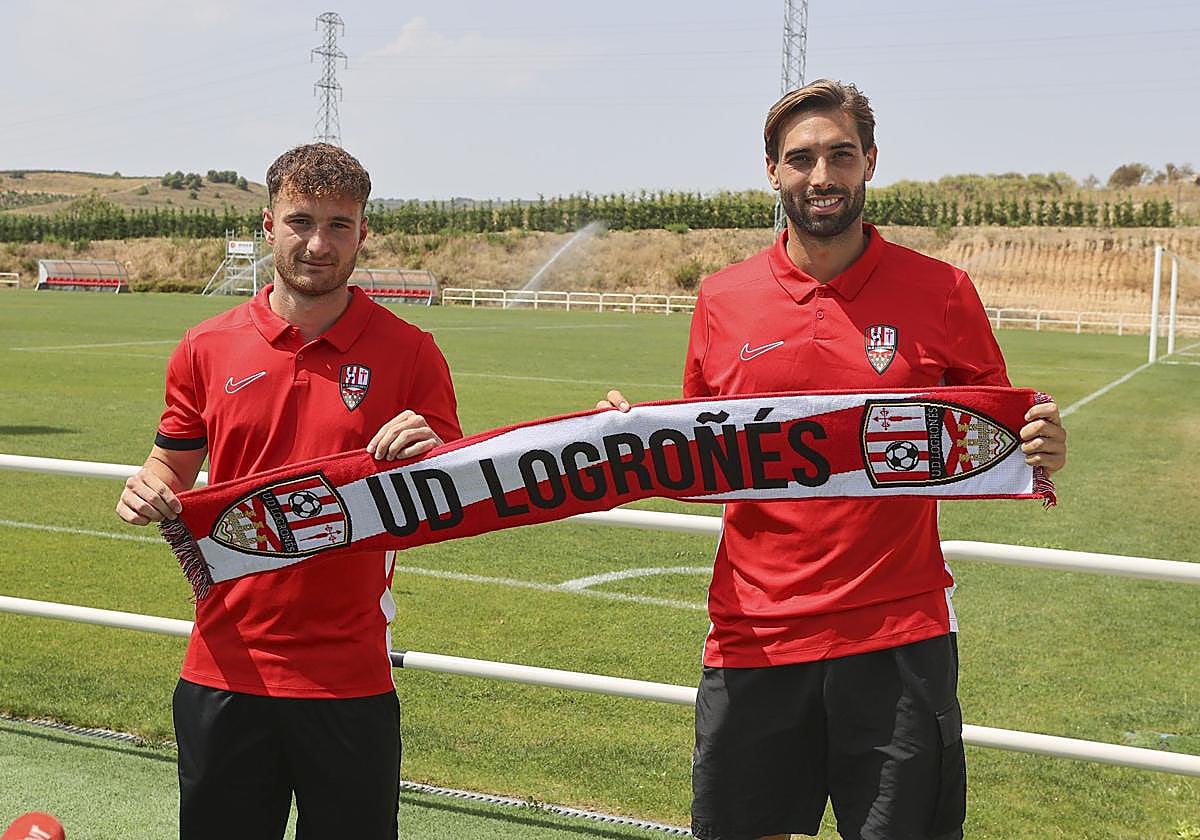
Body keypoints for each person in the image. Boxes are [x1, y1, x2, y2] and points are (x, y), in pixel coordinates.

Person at [600, 80, 1066, 840]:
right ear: (772, 172)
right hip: (754, 632)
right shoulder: (723, 298)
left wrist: (1042, 443)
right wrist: (624, 436)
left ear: (871, 163)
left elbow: (997, 433)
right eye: (802, 158)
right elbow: (704, 453)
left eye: (840, 155)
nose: (822, 175)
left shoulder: (943, 291)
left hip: (898, 632)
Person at [116, 143, 462, 840]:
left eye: (339, 224)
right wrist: (145, 490)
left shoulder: (412, 351)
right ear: (268, 225)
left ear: (364, 232)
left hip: (350, 677)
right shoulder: (204, 347)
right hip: (223, 666)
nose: (318, 243)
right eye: (301, 220)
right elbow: (168, 470)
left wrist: (430, 454)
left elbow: (449, 496)